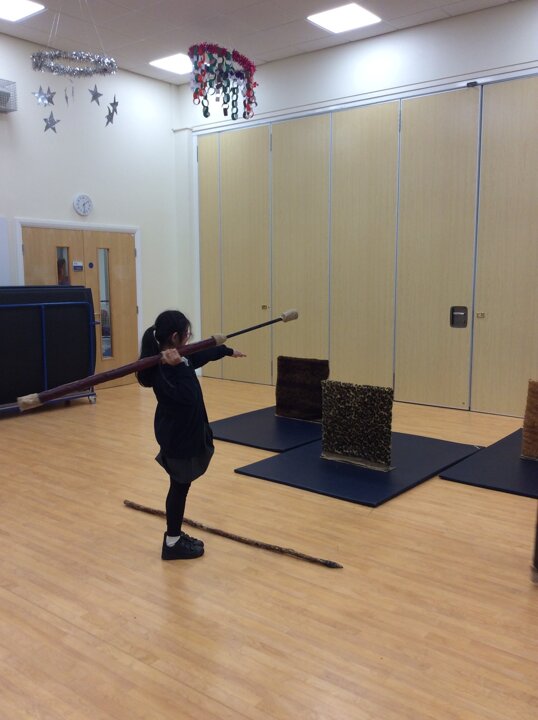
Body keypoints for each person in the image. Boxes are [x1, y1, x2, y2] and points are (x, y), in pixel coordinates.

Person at [136, 310, 246, 560]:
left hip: (181, 432)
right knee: (179, 488)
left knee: (180, 487)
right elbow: (189, 396)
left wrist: (226, 350)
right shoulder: (165, 371)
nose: (189, 338)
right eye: (187, 334)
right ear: (175, 337)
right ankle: (172, 542)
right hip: (179, 438)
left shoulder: (177, 360)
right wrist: (179, 366)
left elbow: (200, 355)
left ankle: (174, 536)